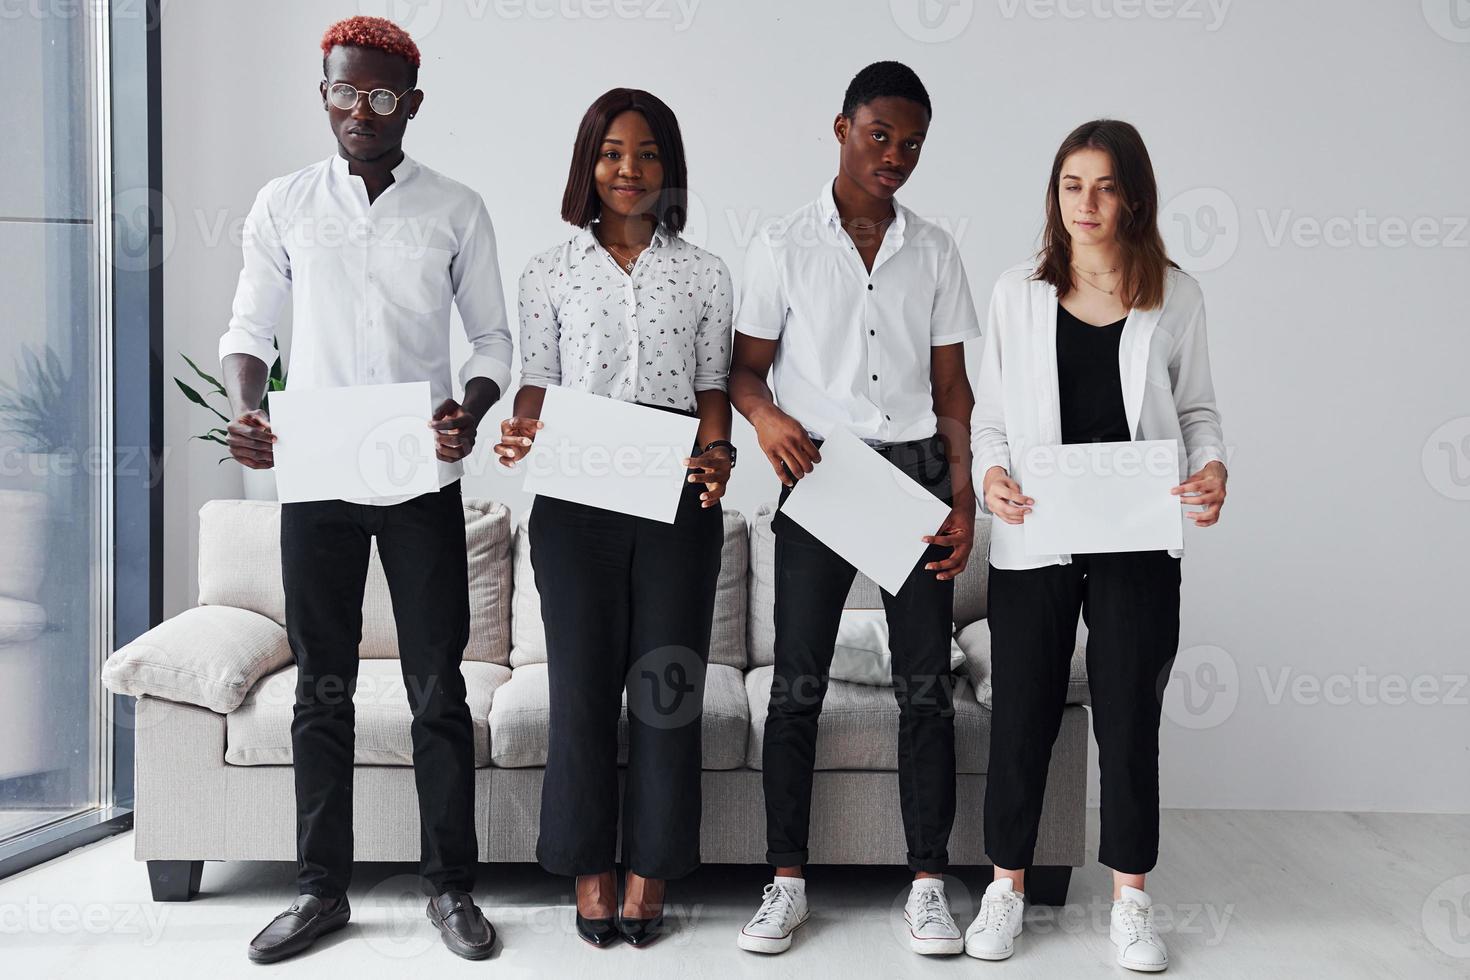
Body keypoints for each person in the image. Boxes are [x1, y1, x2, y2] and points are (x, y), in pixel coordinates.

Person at [218, 16, 509, 964]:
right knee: (323, 689)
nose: (359, 111)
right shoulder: (286, 203)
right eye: (344, 91)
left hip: (419, 471)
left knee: (438, 688)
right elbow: (250, 330)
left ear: (412, 104)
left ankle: (450, 891)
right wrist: (250, 409)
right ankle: (319, 891)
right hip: (315, 472)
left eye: (381, 96)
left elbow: (494, 344)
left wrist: (469, 406)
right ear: (326, 93)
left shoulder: (456, 208)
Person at [728, 61, 980, 957]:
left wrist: (965, 496)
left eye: (912, 144)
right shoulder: (783, 243)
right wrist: (765, 421)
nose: (896, 157)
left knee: (927, 694)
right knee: (796, 688)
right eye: (881, 136)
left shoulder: (937, 250)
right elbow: (743, 366)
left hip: (915, 475)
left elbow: (953, 385)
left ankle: (926, 885)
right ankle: (786, 881)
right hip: (823, 475)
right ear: (840, 128)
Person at [964, 119, 1228, 972]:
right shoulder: (1017, 292)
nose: (1087, 202)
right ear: (1055, 196)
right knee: (1023, 719)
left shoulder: (1175, 295)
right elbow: (991, 419)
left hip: (1137, 538)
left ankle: (1131, 902)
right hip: (1038, 531)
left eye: (1106, 186)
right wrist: (988, 476)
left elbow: (1197, 412)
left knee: (1128, 719)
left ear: (1135, 196)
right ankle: (1005, 890)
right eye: (1072, 185)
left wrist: (1214, 465)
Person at [491, 88, 735, 949]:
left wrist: (720, 454)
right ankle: (590, 868)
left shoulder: (705, 271)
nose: (628, 170)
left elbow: (712, 388)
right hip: (576, 493)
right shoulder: (546, 273)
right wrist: (521, 432)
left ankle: (651, 870)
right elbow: (537, 383)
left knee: (668, 692)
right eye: (611, 153)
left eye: (647, 154)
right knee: (584, 691)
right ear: (587, 164)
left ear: (668, 169)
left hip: (674, 493)